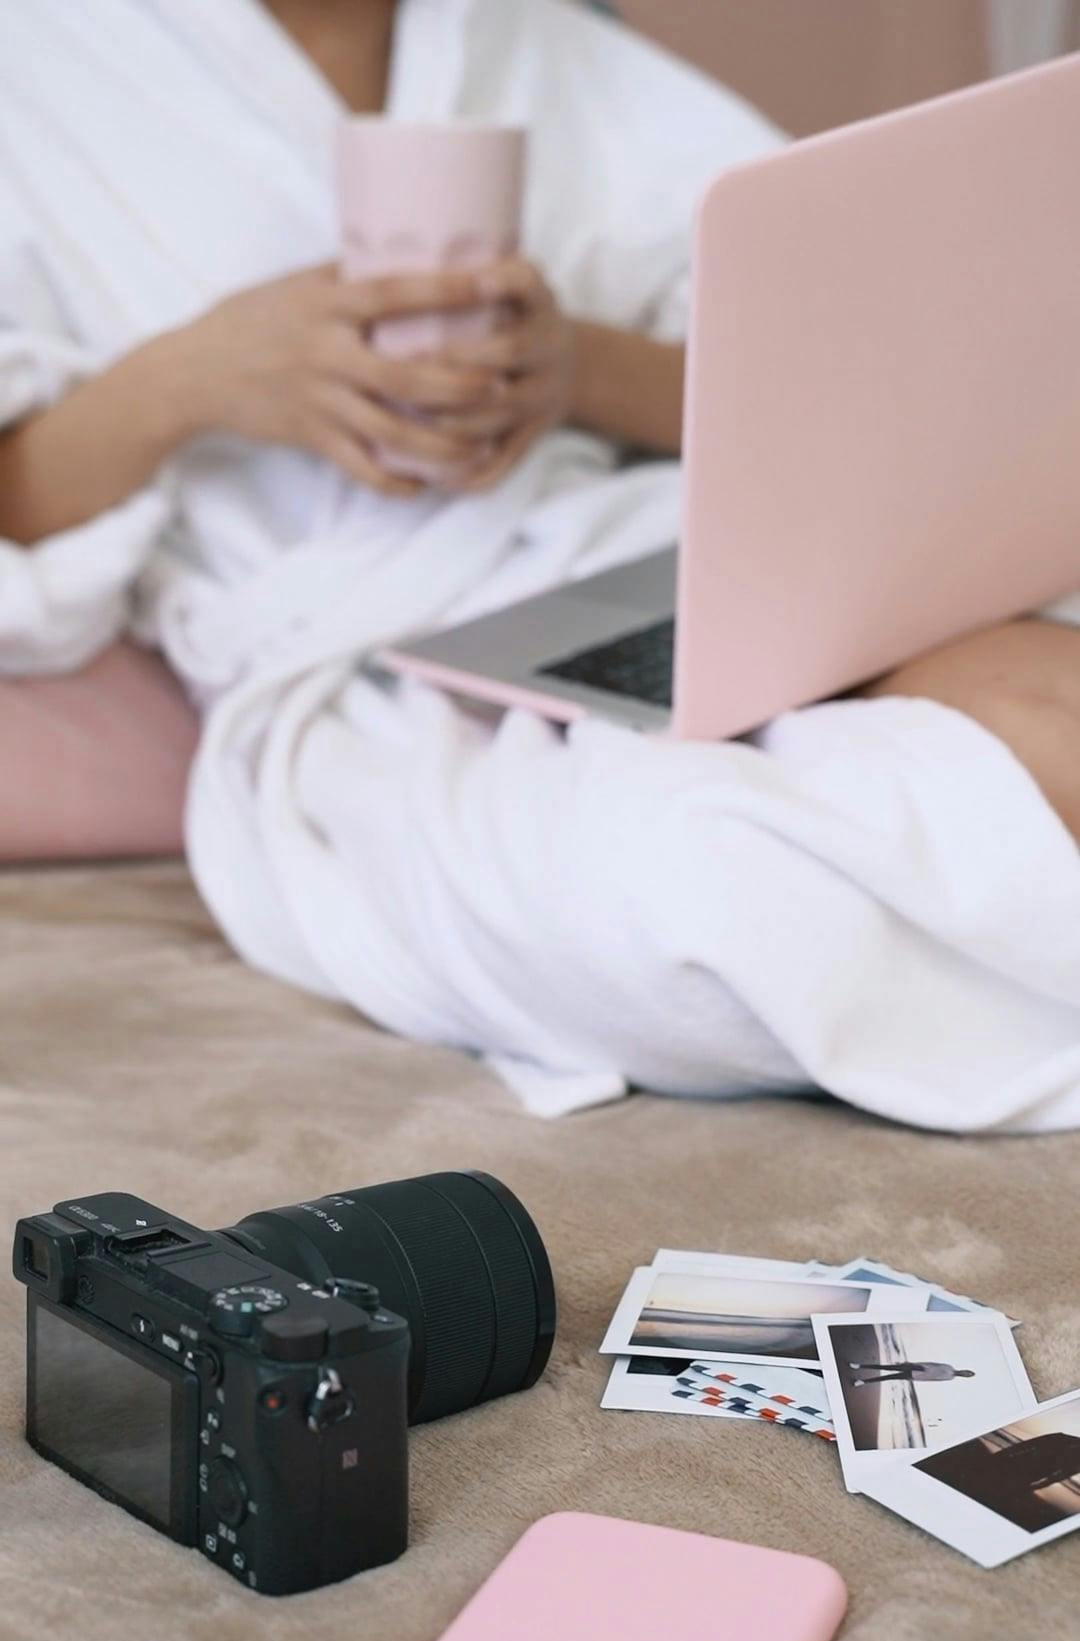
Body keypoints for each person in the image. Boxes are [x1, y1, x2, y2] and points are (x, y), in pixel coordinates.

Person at [2, 0, 1080, 1126]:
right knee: (713, 910)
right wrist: (195, 378)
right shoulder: (36, 61)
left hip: (636, 556)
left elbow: (820, 371)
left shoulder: (532, 42)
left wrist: (573, 368)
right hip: (360, 674)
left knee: (1040, 697)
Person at [848, 1361, 976, 1387]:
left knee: (887, 1378)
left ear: (965, 1377)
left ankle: (863, 1382)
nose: (965, 1373)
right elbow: (931, 1363)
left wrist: (914, 1380)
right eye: (967, 1372)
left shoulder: (949, 1379)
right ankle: (859, 1366)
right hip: (917, 1367)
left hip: (915, 1376)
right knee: (885, 1367)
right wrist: (913, 1363)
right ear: (965, 1369)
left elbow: (931, 1380)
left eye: (967, 1375)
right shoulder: (949, 1366)